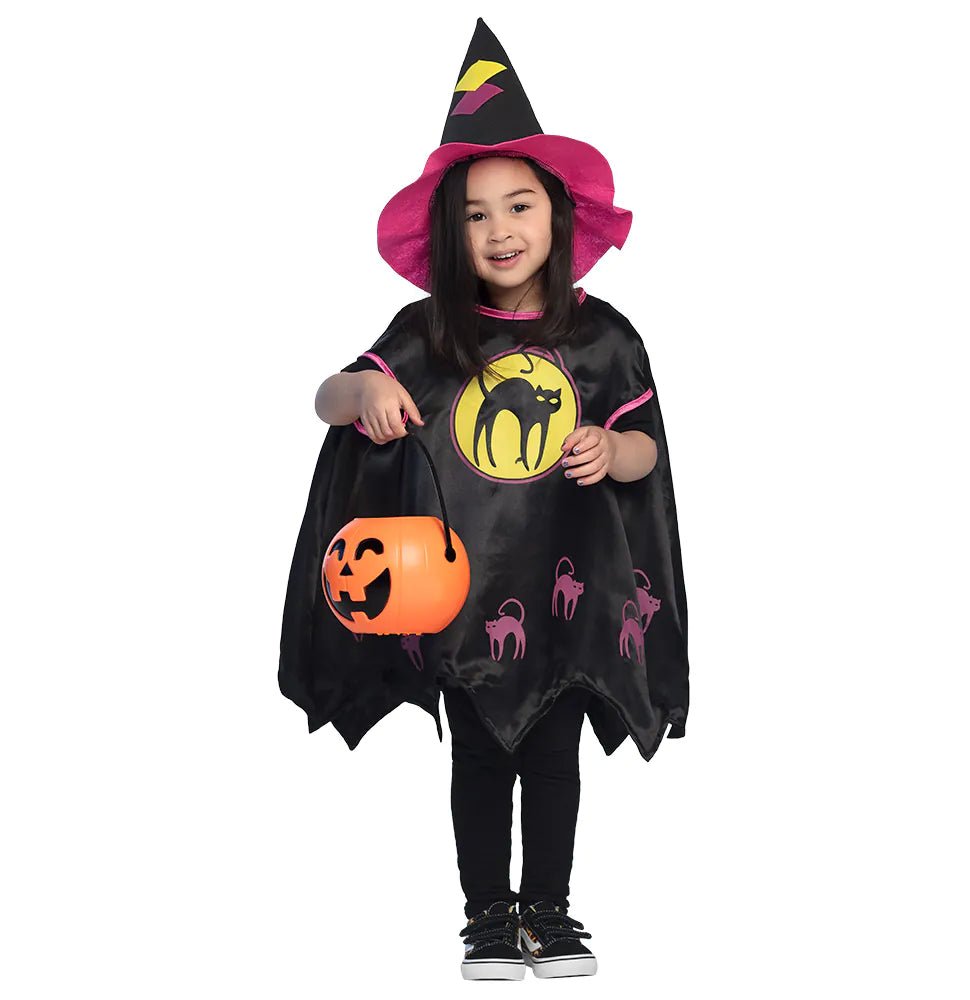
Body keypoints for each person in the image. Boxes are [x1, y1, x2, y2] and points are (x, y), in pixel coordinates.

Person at [278, 19, 689, 981]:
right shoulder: (428, 333)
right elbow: (326, 397)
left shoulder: (604, 339)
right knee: (477, 756)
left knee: (552, 758)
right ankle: (488, 918)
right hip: (460, 596)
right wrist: (363, 390)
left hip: (566, 595)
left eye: (519, 206)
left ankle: (549, 909)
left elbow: (647, 455)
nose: (500, 230)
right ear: (449, 234)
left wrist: (611, 449)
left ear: (558, 215)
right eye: (475, 215)